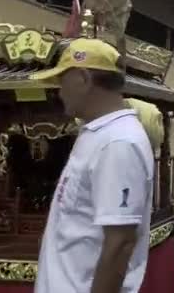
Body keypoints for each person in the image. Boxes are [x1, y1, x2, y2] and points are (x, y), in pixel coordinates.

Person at [32, 39, 154, 292]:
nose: (58, 91)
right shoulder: (96, 133)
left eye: (61, 81)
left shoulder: (118, 142)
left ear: (83, 78)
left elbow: (120, 242)